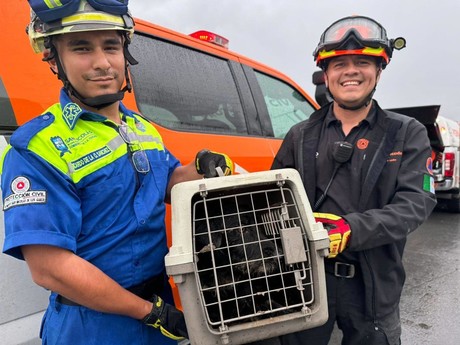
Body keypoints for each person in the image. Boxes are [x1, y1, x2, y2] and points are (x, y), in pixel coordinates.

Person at [0, 1, 233, 344]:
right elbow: (49, 267)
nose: (102, 63)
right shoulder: (38, 148)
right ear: (53, 59)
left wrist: (199, 167)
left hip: (156, 313)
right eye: (82, 48)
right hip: (92, 326)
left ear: (125, 52)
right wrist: (147, 312)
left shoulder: (140, 127)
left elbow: (165, 184)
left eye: (111, 46)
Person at [271, 15, 436, 345]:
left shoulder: (406, 133)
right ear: (326, 74)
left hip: (373, 286)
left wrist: (350, 230)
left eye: (362, 62)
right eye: (339, 64)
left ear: (378, 72)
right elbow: (275, 199)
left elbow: (416, 203)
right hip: (307, 281)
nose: (350, 71)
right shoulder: (300, 135)